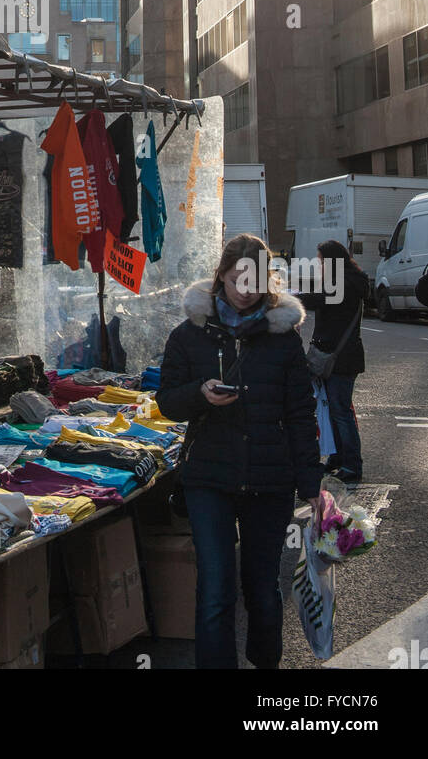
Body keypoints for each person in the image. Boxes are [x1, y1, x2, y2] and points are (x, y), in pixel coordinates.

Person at [157, 232, 323, 671]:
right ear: (222, 277)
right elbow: (167, 401)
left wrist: (312, 485)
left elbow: (302, 413)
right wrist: (200, 393)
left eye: (254, 281)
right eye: (236, 280)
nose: (245, 290)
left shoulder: (282, 337)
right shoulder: (190, 334)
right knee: (215, 588)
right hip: (208, 477)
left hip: (270, 481)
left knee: (264, 590)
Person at [301, 239, 367, 485]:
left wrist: (288, 296)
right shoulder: (348, 280)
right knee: (332, 409)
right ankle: (338, 458)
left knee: (340, 411)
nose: (319, 265)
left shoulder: (344, 284)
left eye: (321, 260)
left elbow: (317, 300)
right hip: (340, 356)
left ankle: (351, 464)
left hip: (340, 358)